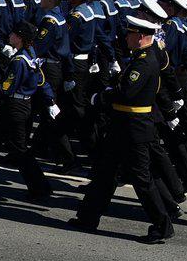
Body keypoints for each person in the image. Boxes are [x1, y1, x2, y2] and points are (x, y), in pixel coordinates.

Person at [71, 16, 176, 243]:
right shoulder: (140, 58)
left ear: (140, 36)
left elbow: (125, 92)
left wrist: (101, 96)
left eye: (130, 34)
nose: (126, 37)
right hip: (122, 125)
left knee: (141, 178)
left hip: (134, 128)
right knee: (104, 173)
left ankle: (162, 225)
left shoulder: (144, 61)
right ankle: (88, 217)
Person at [0, 21, 56, 200]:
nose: (10, 36)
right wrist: (50, 100)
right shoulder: (30, 55)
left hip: (14, 107)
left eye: (13, 34)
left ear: (20, 38)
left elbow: (6, 89)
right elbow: (40, 80)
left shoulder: (19, 61)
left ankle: (40, 188)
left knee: (19, 151)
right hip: (21, 106)